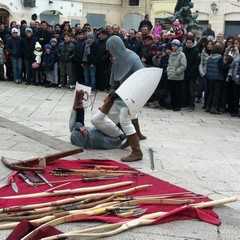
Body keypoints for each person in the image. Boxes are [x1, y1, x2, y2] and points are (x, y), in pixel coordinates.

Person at [106, 35, 146, 162]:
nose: (110, 52)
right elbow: (115, 78)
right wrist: (113, 90)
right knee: (128, 115)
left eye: (111, 49)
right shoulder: (118, 59)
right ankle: (136, 135)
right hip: (124, 93)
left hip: (132, 93)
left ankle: (137, 151)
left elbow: (143, 76)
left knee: (124, 120)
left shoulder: (132, 58)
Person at [167, 39, 187, 111]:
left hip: (178, 77)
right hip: (171, 76)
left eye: (175, 46)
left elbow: (183, 65)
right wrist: (168, 70)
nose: (173, 47)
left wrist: (177, 71)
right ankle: (172, 104)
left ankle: (178, 105)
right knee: (172, 92)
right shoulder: (171, 54)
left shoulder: (182, 54)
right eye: (172, 46)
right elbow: (169, 63)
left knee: (178, 92)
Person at [205, 44, 224, 114]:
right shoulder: (220, 58)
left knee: (211, 92)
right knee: (217, 93)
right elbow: (221, 68)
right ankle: (213, 107)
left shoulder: (210, 57)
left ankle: (208, 106)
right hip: (217, 78)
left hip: (210, 77)